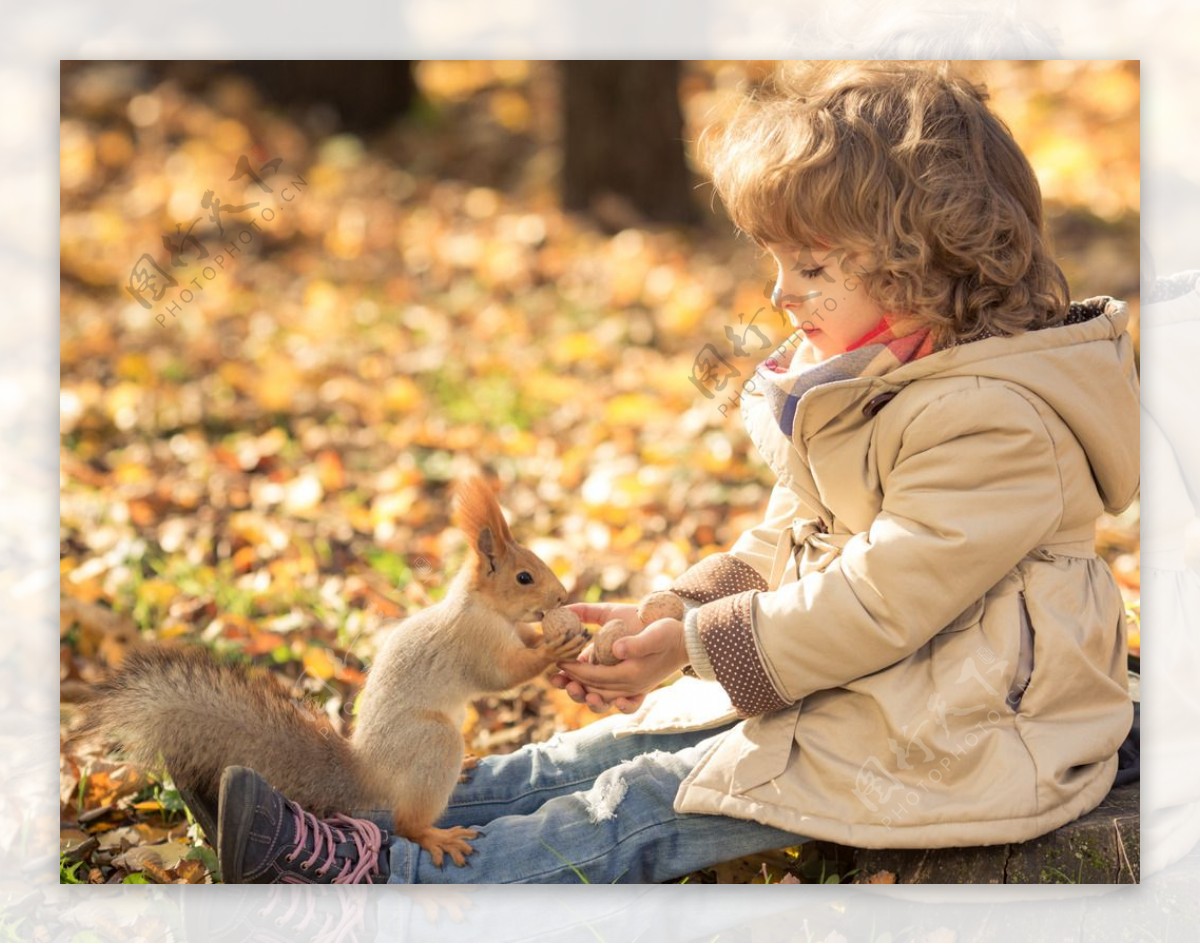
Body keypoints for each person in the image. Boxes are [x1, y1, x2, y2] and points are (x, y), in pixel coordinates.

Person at [215, 60, 1140, 884]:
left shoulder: (996, 422)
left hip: (968, 725)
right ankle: (356, 809)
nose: (780, 294)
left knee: (659, 798)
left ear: (922, 267)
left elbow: (881, 598)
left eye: (810, 266)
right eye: (775, 264)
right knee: (623, 744)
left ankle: (395, 883)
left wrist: (700, 648)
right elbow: (793, 531)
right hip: (878, 680)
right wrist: (680, 611)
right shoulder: (879, 376)